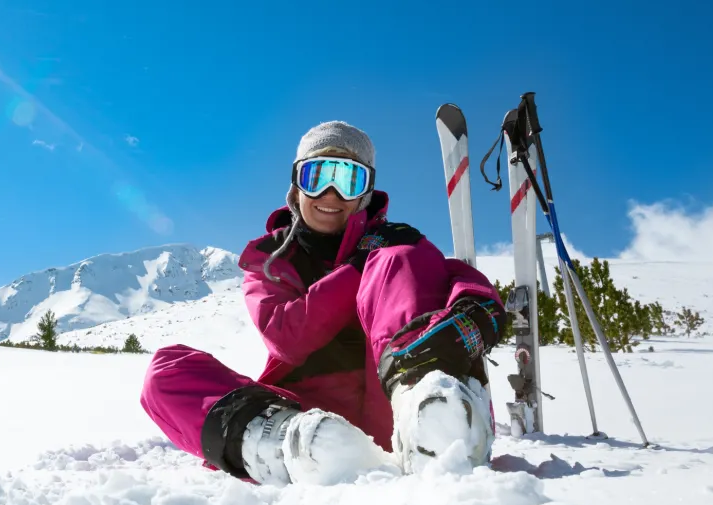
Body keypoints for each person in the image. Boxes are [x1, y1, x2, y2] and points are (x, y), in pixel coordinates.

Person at [140, 120, 504, 485]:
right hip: (307, 418)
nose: (330, 194)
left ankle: (430, 416)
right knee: (165, 371)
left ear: (365, 193)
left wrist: (476, 304)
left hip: (392, 412)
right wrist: (354, 269)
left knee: (400, 257)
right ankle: (289, 445)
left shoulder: (395, 247)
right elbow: (286, 338)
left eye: (348, 180)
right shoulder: (270, 262)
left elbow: (450, 273)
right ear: (296, 188)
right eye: (316, 177)